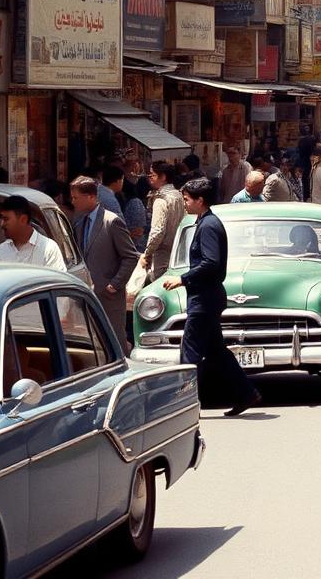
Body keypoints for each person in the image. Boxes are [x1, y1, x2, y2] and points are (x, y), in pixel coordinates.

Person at [163, 178, 262, 415]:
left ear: (200, 200)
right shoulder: (203, 222)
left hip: (204, 298)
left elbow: (210, 262)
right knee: (216, 350)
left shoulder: (208, 225)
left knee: (189, 352)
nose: (185, 204)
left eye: (187, 199)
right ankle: (246, 393)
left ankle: (186, 406)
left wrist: (183, 278)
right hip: (205, 296)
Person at [70, 176, 139, 352]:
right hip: (87, 296)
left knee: (114, 344)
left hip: (109, 298)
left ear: (91, 197)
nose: (72, 202)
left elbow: (130, 256)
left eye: (76, 197)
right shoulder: (79, 223)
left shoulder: (111, 221)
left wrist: (114, 284)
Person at [0, 194, 67, 269]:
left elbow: (56, 280)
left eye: (6, 219)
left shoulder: (49, 249)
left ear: (23, 219)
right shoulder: (1, 250)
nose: (2, 224)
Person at [142, 161, 185, 281]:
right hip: (180, 252)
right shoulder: (179, 195)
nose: (150, 178)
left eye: (152, 175)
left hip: (163, 254)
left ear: (163, 177)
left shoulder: (161, 200)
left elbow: (157, 231)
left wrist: (147, 253)